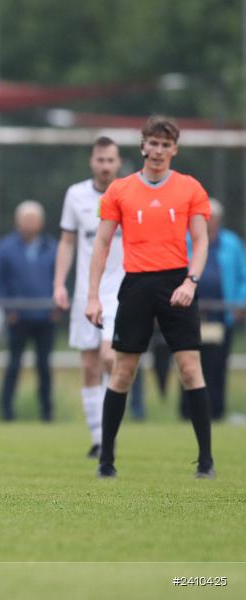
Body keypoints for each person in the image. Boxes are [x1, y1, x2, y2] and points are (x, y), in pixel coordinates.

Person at [86, 115, 214, 479]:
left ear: (174, 149)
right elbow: (102, 244)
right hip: (137, 285)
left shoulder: (190, 188)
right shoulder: (120, 190)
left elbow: (201, 240)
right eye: (153, 143)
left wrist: (190, 282)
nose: (158, 151)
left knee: (190, 369)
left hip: (177, 282)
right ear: (143, 146)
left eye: (165, 144)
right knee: (123, 371)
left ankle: (206, 462)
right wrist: (93, 296)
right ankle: (106, 461)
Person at [53, 137, 124, 457]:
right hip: (86, 291)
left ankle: (109, 432)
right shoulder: (76, 195)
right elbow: (67, 242)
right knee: (89, 365)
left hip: (120, 290)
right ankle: (99, 439)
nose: (105, 166)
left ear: (118, 162)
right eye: (100, 160)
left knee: (111, 358)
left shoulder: (128, 193)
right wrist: (59, 284)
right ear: (92, 162)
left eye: (110, 160)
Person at [179, 198, 246, 421]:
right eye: (204, 217)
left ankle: (216, 411)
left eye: (212, 218)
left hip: (221, 315)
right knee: (188, 362)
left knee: (217, 364)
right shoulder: (184, 241)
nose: (208, 222)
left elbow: (243, 276)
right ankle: (187, 412)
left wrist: (239, 304)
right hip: (189, 315)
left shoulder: (232, 244)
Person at [0, 201, 57, 422]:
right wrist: (8, 309)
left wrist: (57, 306)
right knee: (13, 365)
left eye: (33, 219)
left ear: (41, 222)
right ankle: (6, 411)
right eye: (26, 219)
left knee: (44, 366)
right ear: (17, 221)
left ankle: (47, 412)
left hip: (45, 317)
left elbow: (61, 278)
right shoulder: (6, 248)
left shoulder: (52, 247)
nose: (29, 224)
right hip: (17, 318)